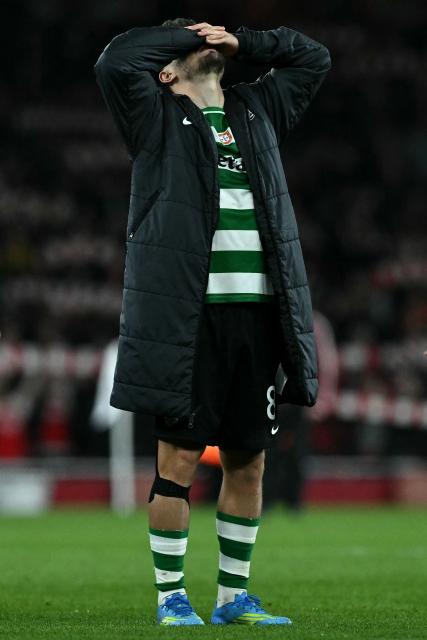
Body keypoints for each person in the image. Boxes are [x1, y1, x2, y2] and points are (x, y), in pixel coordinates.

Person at [95, 17, 330, 626]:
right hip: (187, 321)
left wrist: (243, 43)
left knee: (248, 460)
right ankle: (172, 596)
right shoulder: (153, 117)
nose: (202, 44)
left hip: (258, 317)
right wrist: (183, 36)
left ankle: (232, 598)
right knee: (176, 461)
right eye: (185, 46)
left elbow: (313, 58)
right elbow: (116, 61)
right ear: (167, 71)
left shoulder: (257, 110)